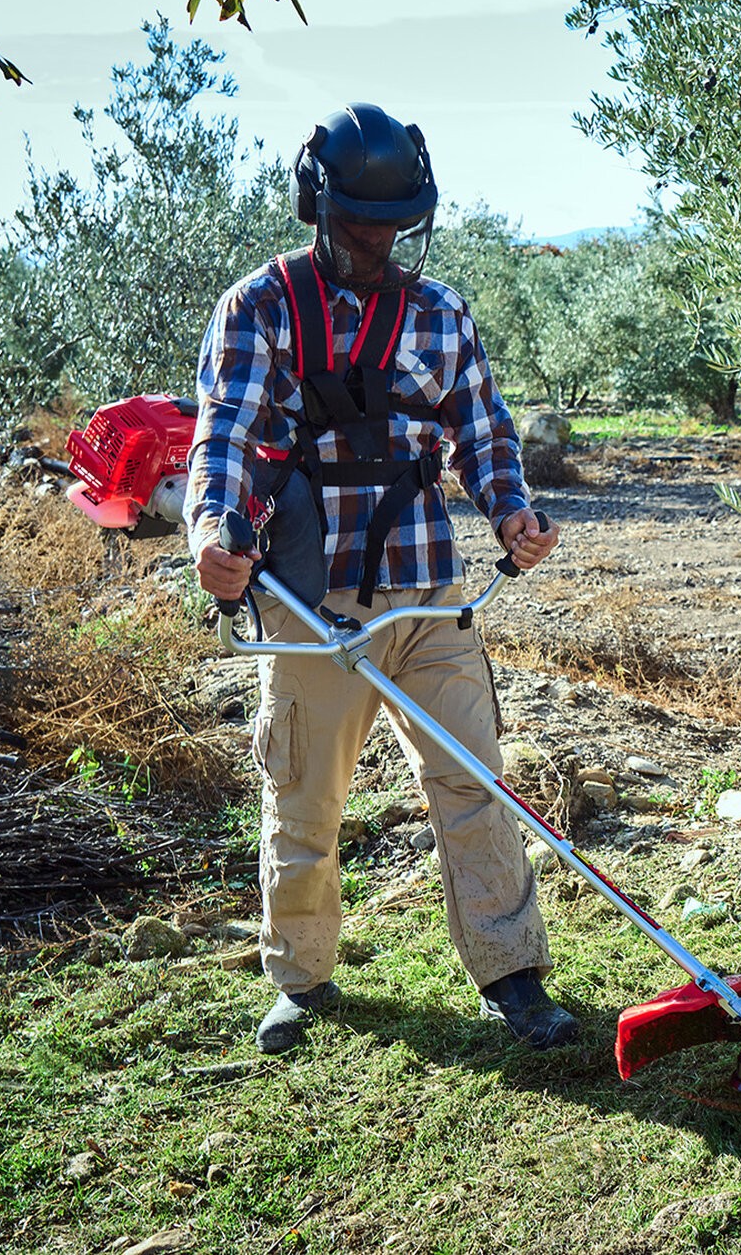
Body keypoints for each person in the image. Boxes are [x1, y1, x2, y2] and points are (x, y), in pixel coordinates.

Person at [185, 103, 576, 1055]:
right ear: (316, 203)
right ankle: (302, 981)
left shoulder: (441, 314)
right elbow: (227, 437)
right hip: (308, 606)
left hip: (432, 592)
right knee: (304, 797)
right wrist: (212, 533)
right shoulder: (260, 308)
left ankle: (512, 973)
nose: (377, 238)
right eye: (360, 218)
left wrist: (513, 513)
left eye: (394, 221)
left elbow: (484, 433)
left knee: (475, 783)